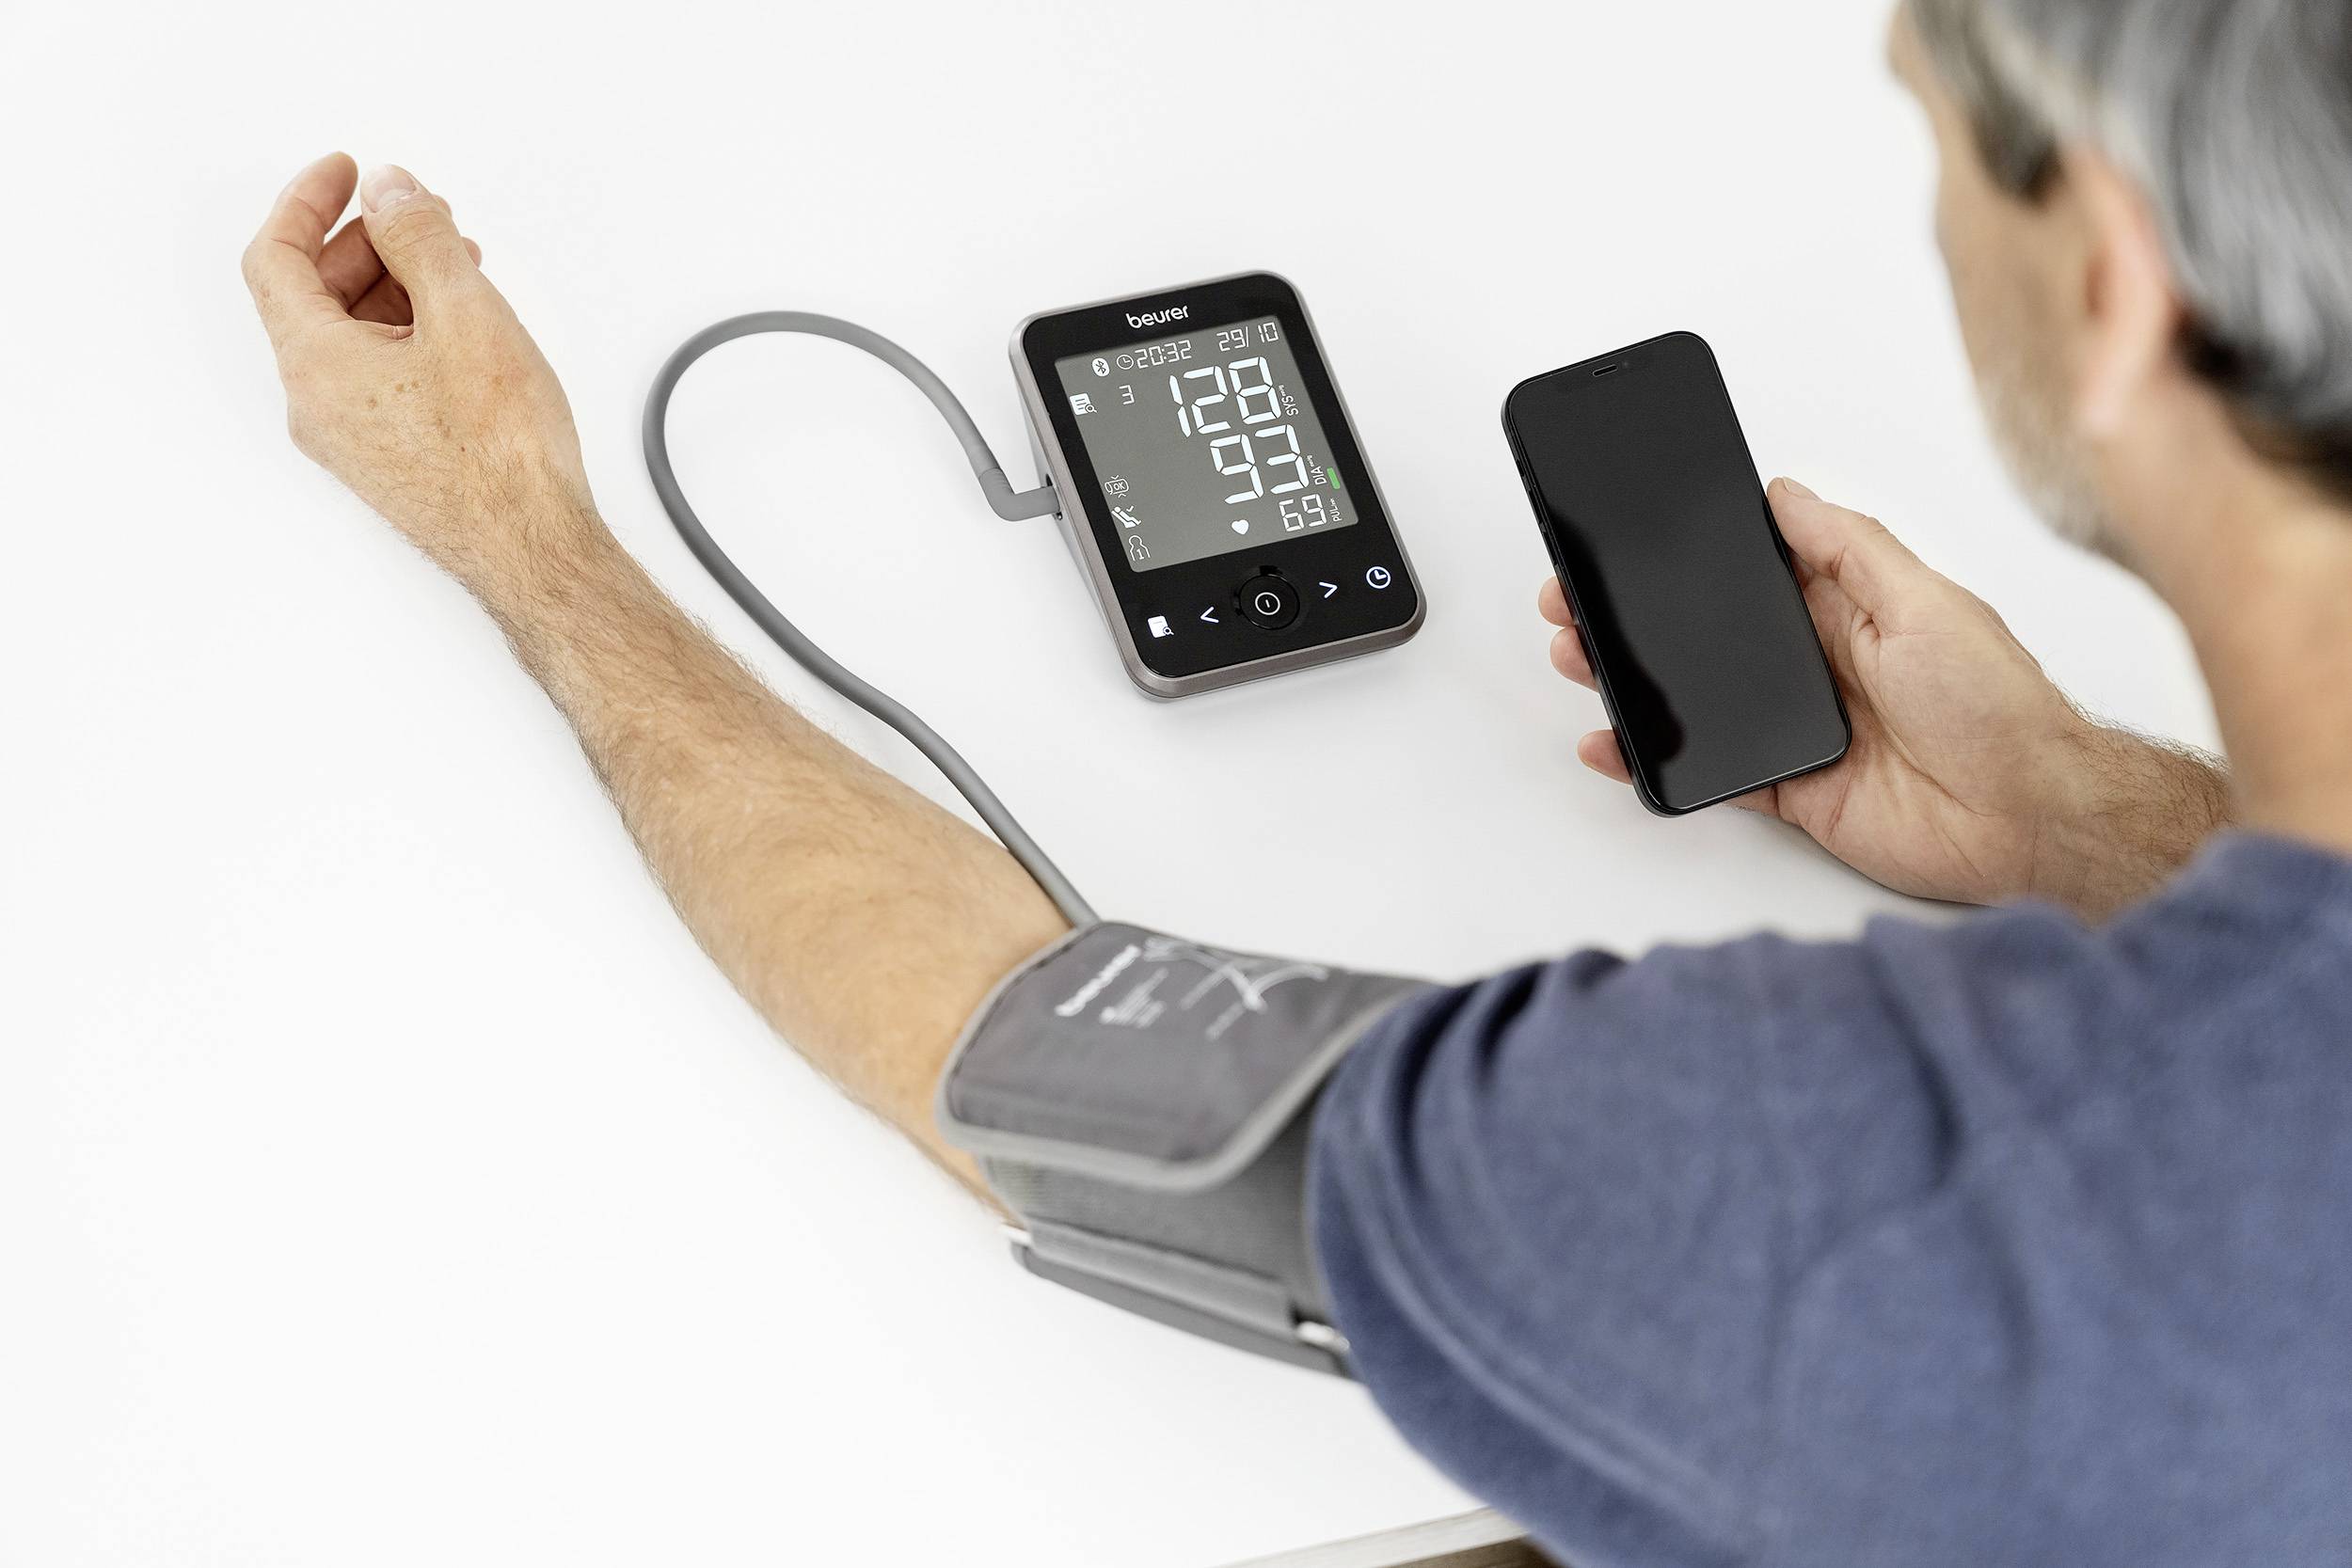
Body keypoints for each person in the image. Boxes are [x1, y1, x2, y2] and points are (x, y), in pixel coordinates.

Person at [239, 0, 2352, 1559]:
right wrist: (2075, 815)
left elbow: (1033, 1070)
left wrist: (528, 534)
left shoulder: (1858, 1196)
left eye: (1929, 139)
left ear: (2109, 282)